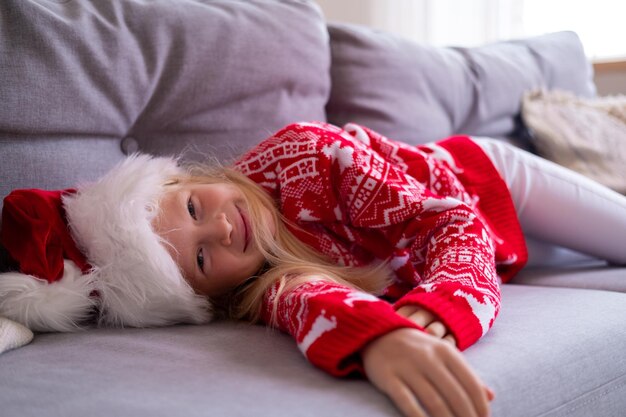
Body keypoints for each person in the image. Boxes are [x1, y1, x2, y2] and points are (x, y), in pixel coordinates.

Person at [1, 122, 625, 417]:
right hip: (512, 257)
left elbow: (452, 225)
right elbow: (311, 299)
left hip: (490, 185)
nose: (220, 229)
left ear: (189, 177)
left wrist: (439, 310)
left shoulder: (306, 153)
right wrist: (379, 338)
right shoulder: (255, 286)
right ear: (206, 295)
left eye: (194, 207)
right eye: (199, 257)